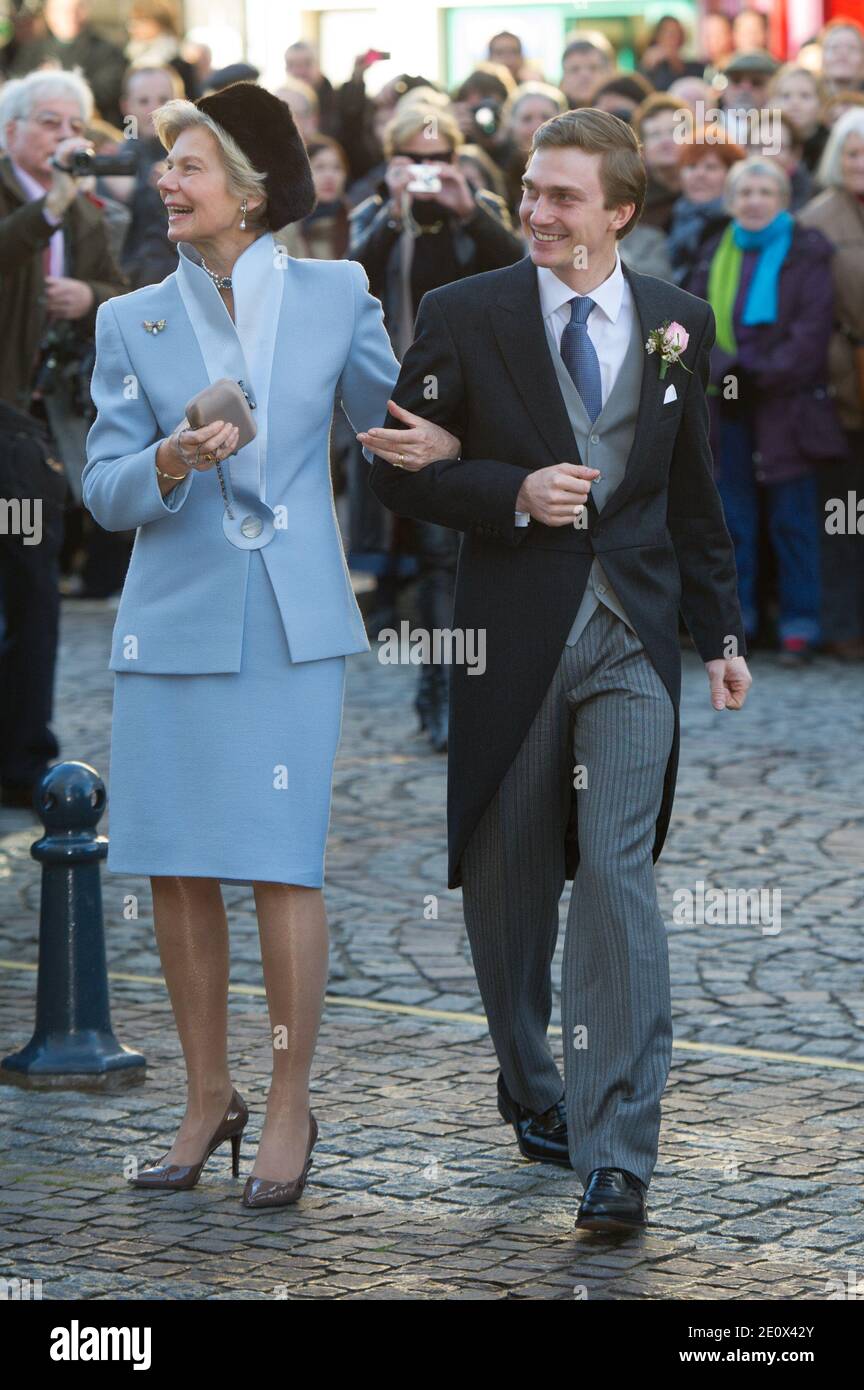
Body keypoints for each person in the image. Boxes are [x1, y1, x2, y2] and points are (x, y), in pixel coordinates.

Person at [365, 108, 751, 1232]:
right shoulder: (463, 312)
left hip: (634, 634)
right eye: (530, 190)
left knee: (619, 877)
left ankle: (619, 1148)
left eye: (563, 197)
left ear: (619, 212)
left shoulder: (680, 323)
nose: (534, 211)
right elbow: (396, 472)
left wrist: (721, 635)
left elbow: (695, 496)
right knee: (509, 893)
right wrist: (508, 490)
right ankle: (533, 1084)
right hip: (512, 634)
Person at [81, 81, 454, 1209]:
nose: (165, 182)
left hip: (291, 620)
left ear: (246, 193)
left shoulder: (337, 292)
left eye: (187, 167)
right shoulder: (129, 318)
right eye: (164, 167)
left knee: (280, 864)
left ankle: (289, 1098)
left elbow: (396, 423)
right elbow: (101, 491)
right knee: (177, 869)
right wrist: (169, 464)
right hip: (172, 620)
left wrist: (447, 441)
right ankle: (208, 1096)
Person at [350, 103, 523, 751]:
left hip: (489, 402)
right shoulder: (378, 212)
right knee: (437, 559)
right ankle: (443, 692)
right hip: (413, 407)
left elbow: (526, 274)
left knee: (487, 550)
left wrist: (468, 208)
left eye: (439, 160)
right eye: (415, 161)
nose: (428, 173)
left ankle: (473, 688)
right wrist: (396, 211)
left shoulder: (479, 209)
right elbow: (352, 281)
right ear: (394, 161)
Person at [0, 69, 126, 806]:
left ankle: (24, 752)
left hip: (40, 428)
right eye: (48, 121)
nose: (61, 136)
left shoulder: (80, 211)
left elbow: (120, 288)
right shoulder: (45, 202)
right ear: (12, 130)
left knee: (34, 585)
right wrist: (47, 207)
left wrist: (90, 298)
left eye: (73, 124)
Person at [689, 156, 847, 665]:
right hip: (726, 408)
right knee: (733, 520)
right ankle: (742, 624)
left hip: (788, 408)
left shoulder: (807, 251)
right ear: (732, 201)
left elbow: (811, 330)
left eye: (765, 192)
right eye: (746, 193)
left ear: (783, 200)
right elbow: (691, 323)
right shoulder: (715, 250)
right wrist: (725, 370)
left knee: (792, 520)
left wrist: (756, 373)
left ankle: (800, 624)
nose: (754, 201)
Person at [798, 110, 864, 660]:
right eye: (852, 153)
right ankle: (844, 624)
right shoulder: (817, 219)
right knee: (844, 515)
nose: (861, 163)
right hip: (842, 388)